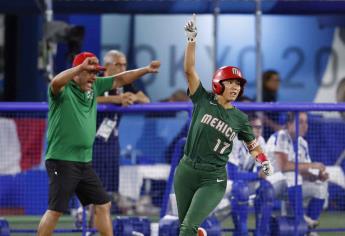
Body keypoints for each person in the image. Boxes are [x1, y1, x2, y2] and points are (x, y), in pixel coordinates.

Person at [37, 51, 160, 236]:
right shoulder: (63, 90)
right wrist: (80, 67)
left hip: (84, 162)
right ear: (77, 72)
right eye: (90, 72)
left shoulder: (94, 87)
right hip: (62, 160)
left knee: (103, 204)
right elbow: (55, 82)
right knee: (56, 210)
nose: (94, 77)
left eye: (96, 73)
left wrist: (146, 70)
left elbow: (121, 79)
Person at [173, 14, 273, 236]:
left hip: (214, 177)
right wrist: (191, 40)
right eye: (231, 83)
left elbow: (252, 145)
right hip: (186, 170)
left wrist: (263, 160)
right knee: (185, 226)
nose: (236, 87)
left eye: (238, 84)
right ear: (218, 84)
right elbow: (189, 70)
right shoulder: (202, 99)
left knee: (187, 228)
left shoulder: (240, 118)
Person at [92, 50, 156, 213]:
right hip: (91, 142)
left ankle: (102, 218)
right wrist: (116, 100)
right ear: (106, 66)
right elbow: (87, 98)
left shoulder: (124, 83)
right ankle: (82, 214)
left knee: (109, 188)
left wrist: (133, 98)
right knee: (93, 186)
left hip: (112, 141)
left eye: (124, 64)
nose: (122, 67)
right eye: (118, 64)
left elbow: (146, 99)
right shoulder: (96, 80)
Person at [266, 112, 329, 234]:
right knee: (293, 175)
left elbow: (303, 171)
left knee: (321, 185)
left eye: (306, 122)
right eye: (300, 122)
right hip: (271, 183)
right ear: (289, 124)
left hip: (292, 187)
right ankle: (301, 217)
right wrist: (313, 165)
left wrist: (316, 176)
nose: (305, 125)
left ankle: (309, 228)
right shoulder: (281, 136)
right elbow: (284, 166)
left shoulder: (303, 143)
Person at [227, 114, 274, 236]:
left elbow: (262, 171)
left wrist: (261, 173)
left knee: (267, 189)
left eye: (260, 127)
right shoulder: (235, 140)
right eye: (255, 127)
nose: (259, 130)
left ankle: (261, 233)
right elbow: (232, 174)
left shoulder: (260, 141)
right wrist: (258, 174)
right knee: (241, 190)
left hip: (243, 180)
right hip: (222, 181)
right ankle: (241, 232)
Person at [261, 70, 284, 139]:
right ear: (266, 82)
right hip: (264, 135)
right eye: (275, 80)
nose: (278, 83)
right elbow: (261, 117)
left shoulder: (273, 96)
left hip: (273, 135)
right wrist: (276, 127)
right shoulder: (263, 97)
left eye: (279, 80)